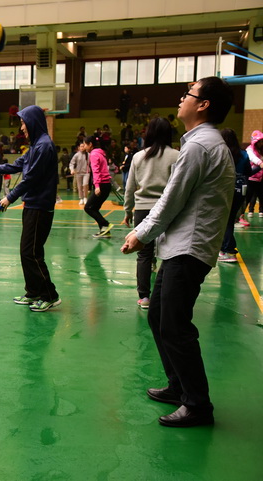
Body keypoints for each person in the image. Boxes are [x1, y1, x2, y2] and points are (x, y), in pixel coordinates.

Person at [120, 77, 235, 428]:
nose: (181, 99)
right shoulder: (202, 143)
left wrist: (141, 234)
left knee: (175, 325)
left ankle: (198, 404)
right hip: (181, 247)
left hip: (188, 248)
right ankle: (179, 386)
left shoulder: (200, 146)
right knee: (159, 316)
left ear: (203, 105)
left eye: (188, 94)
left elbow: (172, 199)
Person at [0, 105, 61, 312]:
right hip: (32, 205)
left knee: (32, 252)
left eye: (23, 123)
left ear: (32, 122)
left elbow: (31, 178)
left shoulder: (44, 146)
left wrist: (9, 198)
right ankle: (33, 292)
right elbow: (12, 166)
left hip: (40, 206)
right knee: (27, 251)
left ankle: (49, 295)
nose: (21, 128)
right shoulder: (35, 146)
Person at [122, 117, 178, 309]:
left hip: (143, 209)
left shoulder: (138, 157)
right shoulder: (177, 156)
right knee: (170, 253)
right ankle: (165, 297)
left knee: (144, 255)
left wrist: (128, 211)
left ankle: (144, 297)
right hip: (167, 209)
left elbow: (129, 187)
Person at [218, 129, 262, 262]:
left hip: (223, 190)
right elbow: (248, 172)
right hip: (240, 191)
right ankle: (225, 248)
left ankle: (229, 250)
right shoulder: (243, 154)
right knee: (230, 220)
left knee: (224, 221)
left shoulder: (221, 153)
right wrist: (259, 167)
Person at [83, 136, 113, 238]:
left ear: (90, 144)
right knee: (94, 208)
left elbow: (96, 171)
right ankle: (105, 231)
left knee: (88, 208)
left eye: (85, 144)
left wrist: (97, 186)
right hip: (106, 184)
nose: (84, 146)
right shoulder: (101, 153)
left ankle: (105, 224)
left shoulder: (94, 154)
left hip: (101, 185)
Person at [244, 131, 263, 218]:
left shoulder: (261, 150)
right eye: (259, 141)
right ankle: (242, 214)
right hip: (251, 177)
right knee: (248, 197)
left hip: (261, 178)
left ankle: (261, 211)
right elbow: (252, 157)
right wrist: (260, 163)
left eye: (262, 141)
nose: (261, 143)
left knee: (261, 195)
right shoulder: (249, 149)